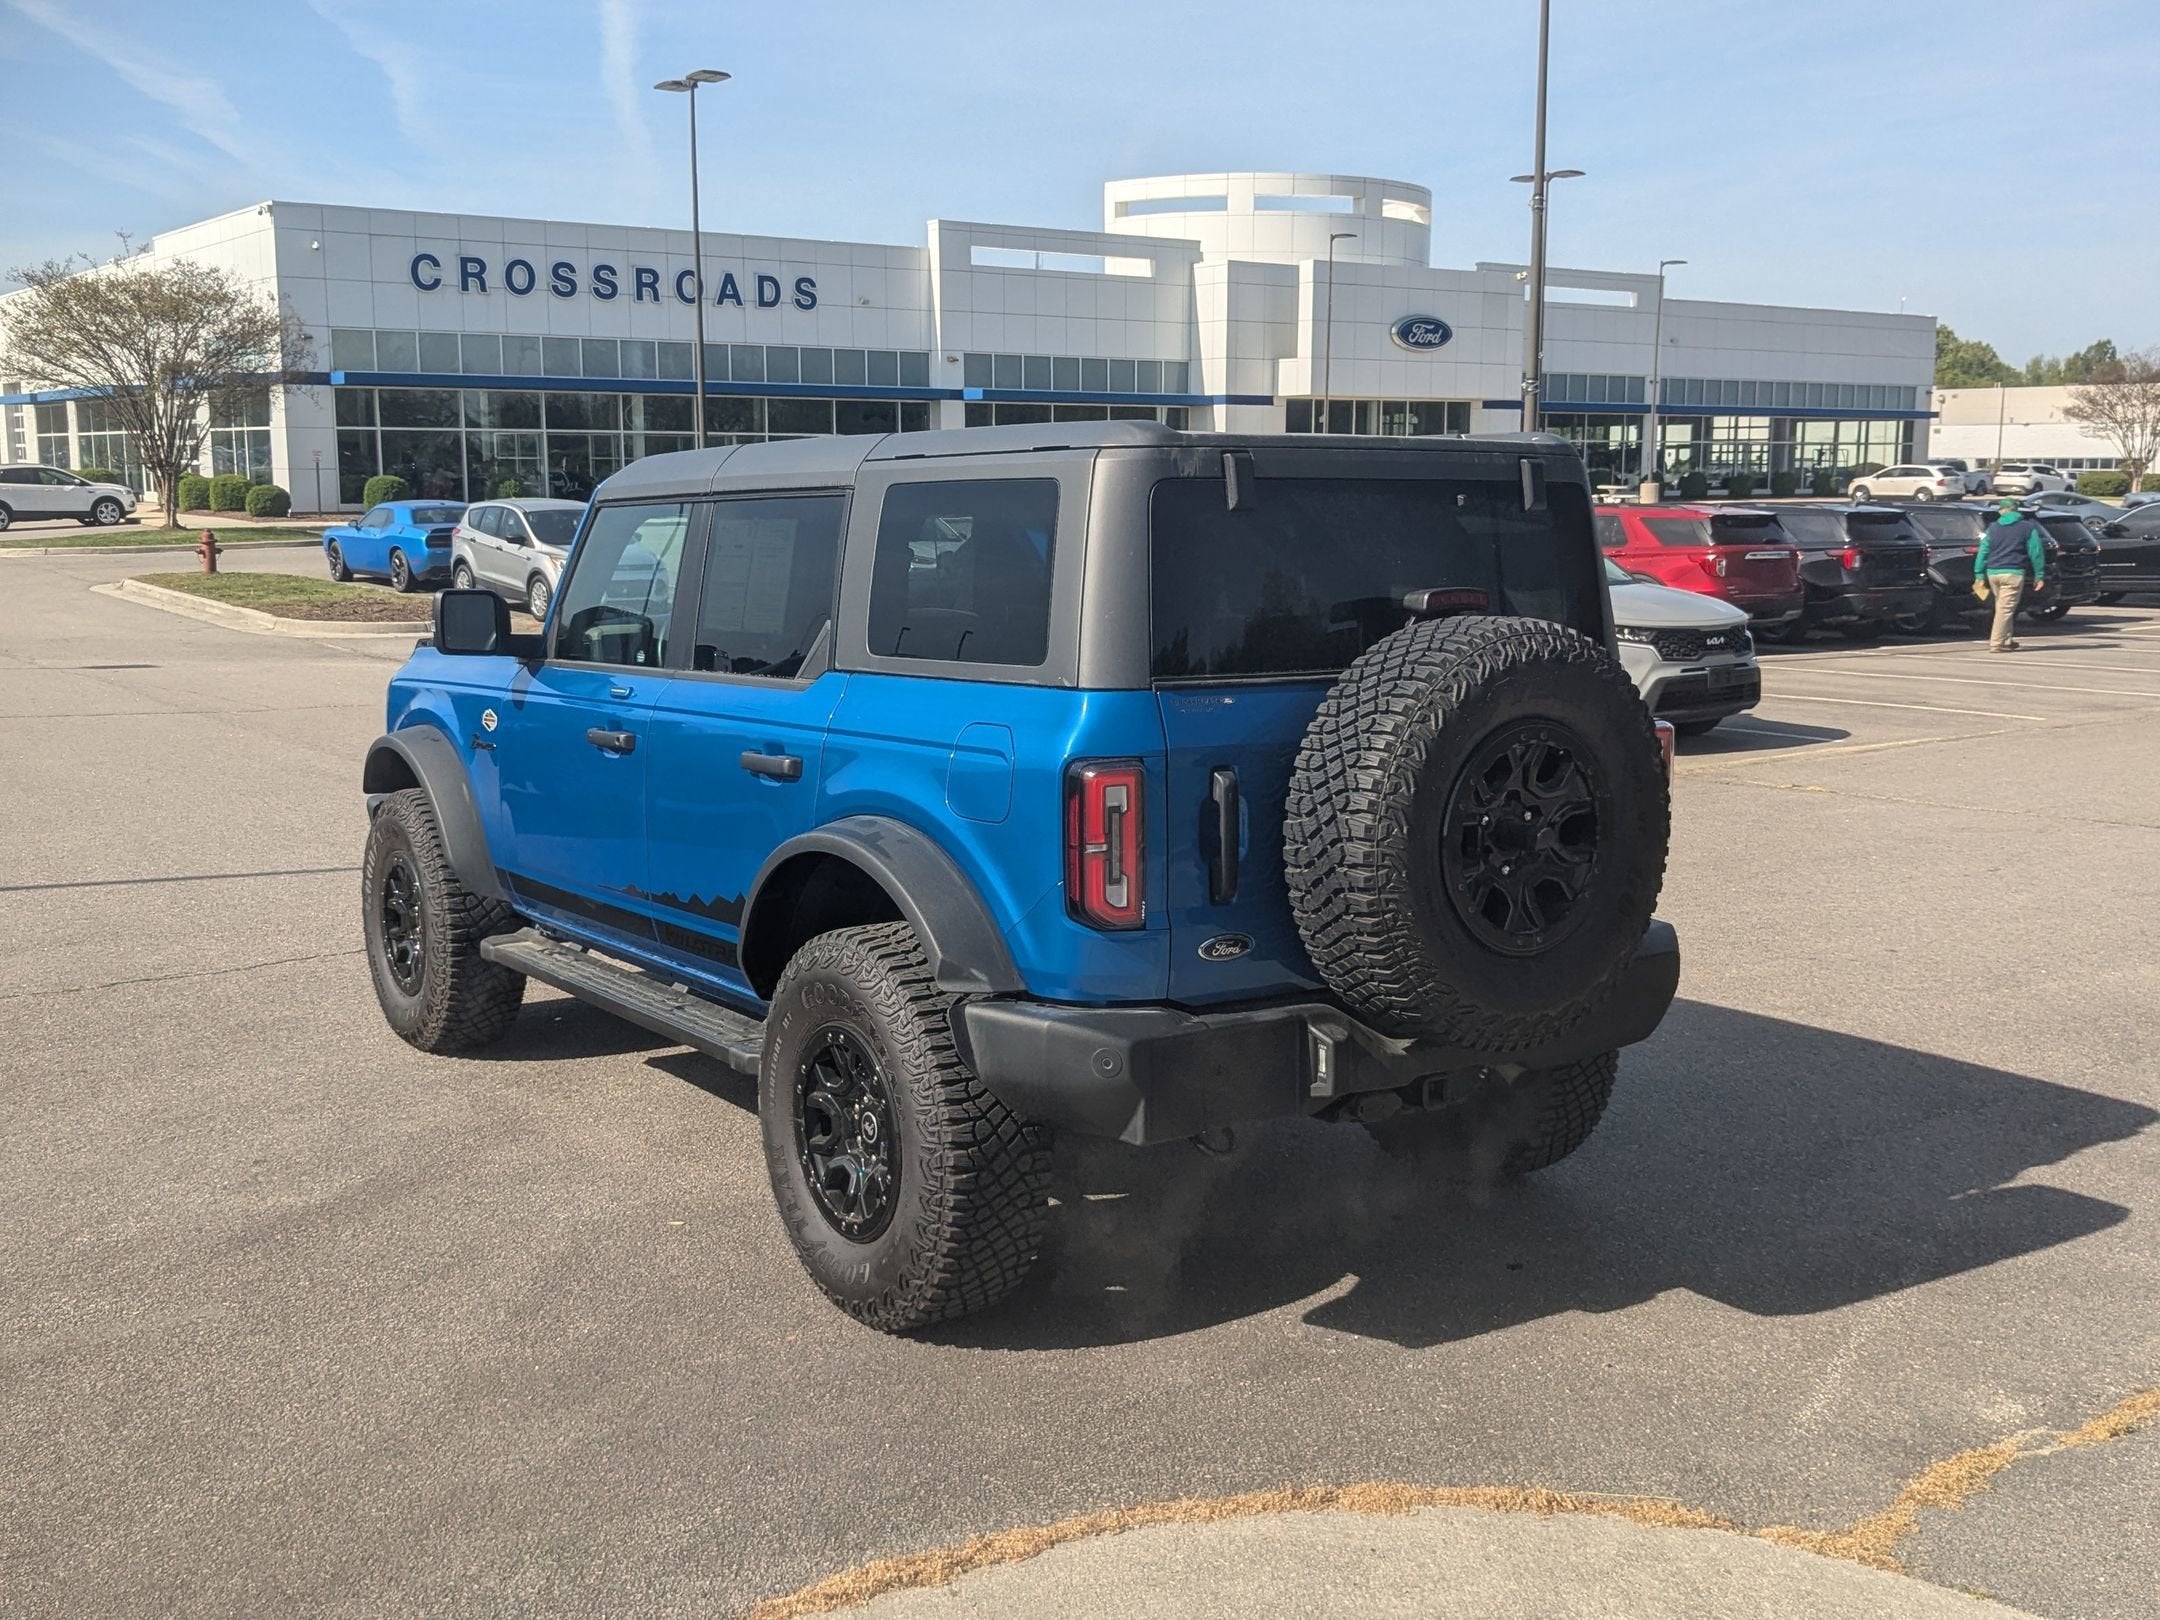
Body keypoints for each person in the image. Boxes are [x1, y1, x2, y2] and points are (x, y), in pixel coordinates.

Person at [1976, 498, 2046, 652]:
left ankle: (2007, 640)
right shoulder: (2027, 528)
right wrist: (2039, 575)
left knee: (2002, 607)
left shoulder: (1992, 528)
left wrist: (1979, 574)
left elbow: (1983, 551)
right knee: (2005, 610)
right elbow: (2036, 552)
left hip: (1993, 572)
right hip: (2013, 573)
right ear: (2016, 510)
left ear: (2002, 511)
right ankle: (1996, 643)